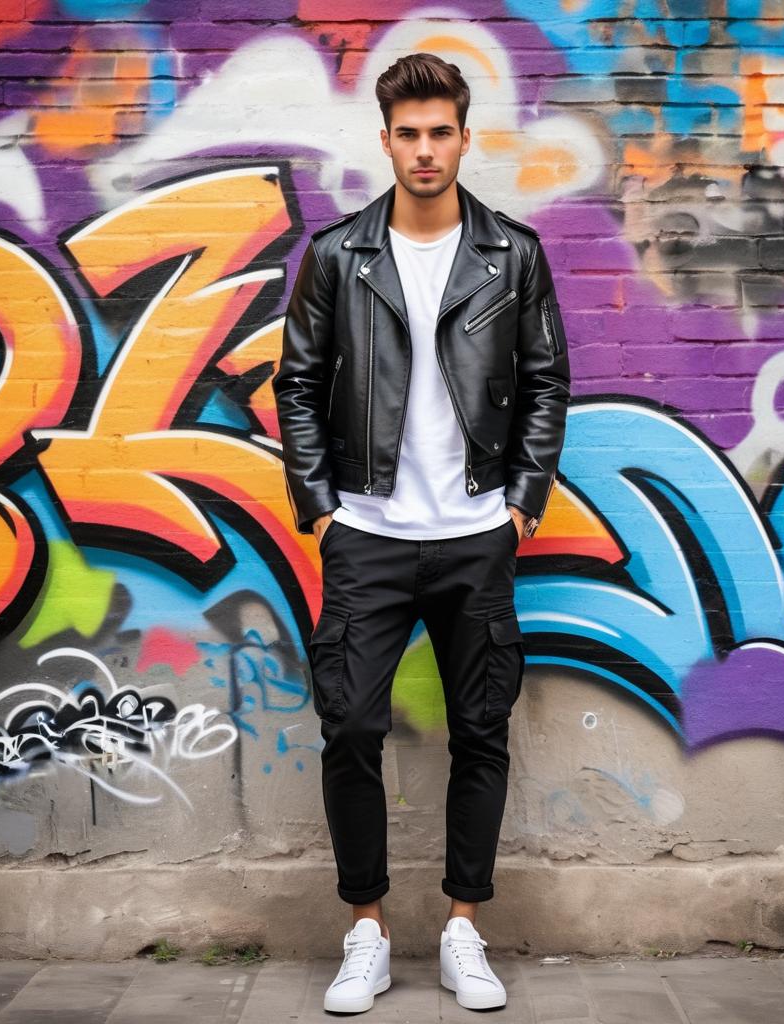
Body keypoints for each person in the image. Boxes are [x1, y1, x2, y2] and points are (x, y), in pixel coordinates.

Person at [271, 51, 570, 1014]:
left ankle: (462, 931)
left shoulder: (512, 253)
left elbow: (545, 381)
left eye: (442, 132)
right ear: (386, 140)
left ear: (464, 138)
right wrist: (322, 503)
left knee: (480, 731)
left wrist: (522, 496)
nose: (427, 150)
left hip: (478, 532)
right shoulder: (338, 255)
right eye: (410, 133)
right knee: (350, 724)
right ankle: (366, 929)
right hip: (368, 533)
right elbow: (300, 383)